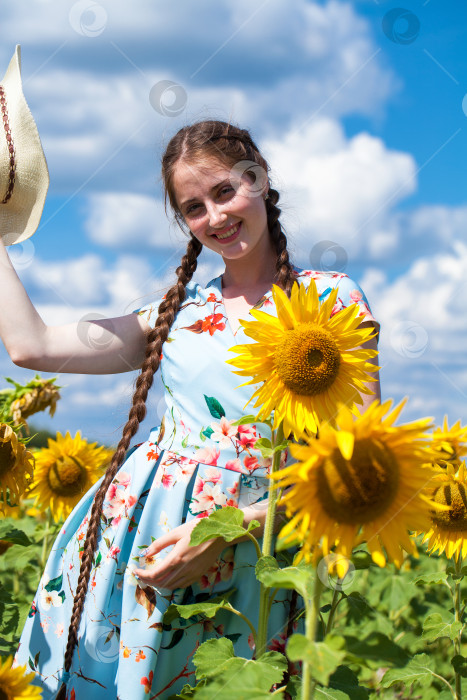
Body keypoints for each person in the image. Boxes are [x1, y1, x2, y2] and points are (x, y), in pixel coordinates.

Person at [3, 120, 381, 699]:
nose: (215, 217)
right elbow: (33, 346)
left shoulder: (333, 300)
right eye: (193, 208)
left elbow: (358, 469)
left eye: (224, 192)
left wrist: (228, 533)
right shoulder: (175, 314)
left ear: (259, 180)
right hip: (140, 543)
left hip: (256, 558)